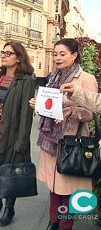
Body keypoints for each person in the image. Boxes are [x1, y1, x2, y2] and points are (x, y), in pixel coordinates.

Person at [29, 38, 97, 230]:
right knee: (53, 184)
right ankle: (54, 220)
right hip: (50, 139)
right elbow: (49, 103)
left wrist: (72, 112)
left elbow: (91, 113)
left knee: (67, 187)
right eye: (55, 54)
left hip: (71, 141)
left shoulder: (85, 79)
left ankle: (65, 224)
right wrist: (38, 104)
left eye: (62, 54)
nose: (57, 58)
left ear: (74, 56)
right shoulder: (53, 77)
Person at [0, 42, 36, 226]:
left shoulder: (26, 80)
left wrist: (22, 141)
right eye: (3, 52)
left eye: (8, 53)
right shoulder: (1, 77)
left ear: (18, 57)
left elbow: (26, 114)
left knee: (9, 170)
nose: (3, 55)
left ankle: (9, 208)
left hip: (13, 133)